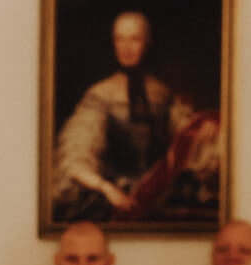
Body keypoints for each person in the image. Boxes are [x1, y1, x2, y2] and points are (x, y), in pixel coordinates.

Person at [50, 12, 218, 224]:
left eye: (134, 39)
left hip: (160, 193)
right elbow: (76, 152)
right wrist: (106, 188)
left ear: (147, 43)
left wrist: (202, 129)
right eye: (120, 39)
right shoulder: (101, 93)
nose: (126, 47)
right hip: (112, 195)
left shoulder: (161, 92)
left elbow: (183, 137)